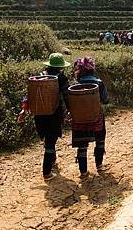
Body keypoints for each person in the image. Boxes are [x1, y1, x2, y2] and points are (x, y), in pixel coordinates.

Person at [18, 53, 70, 181]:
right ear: (61, 67)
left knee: (48, 139)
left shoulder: (39, 77)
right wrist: (71, 110)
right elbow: (67, 96)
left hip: (39, 115)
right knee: (51, 142)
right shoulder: (62, 78)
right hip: (54, 114)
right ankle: (47, 172)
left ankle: (52, 161)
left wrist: (24, 109)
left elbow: (29, 94)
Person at [70, 57, 109, 178]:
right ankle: (99, 165)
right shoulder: (99, 83)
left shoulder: (75, 85)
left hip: (79, 120)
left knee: (82, 145)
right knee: (100, 140)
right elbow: (105, 100)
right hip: (96, 118)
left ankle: (83, 172)